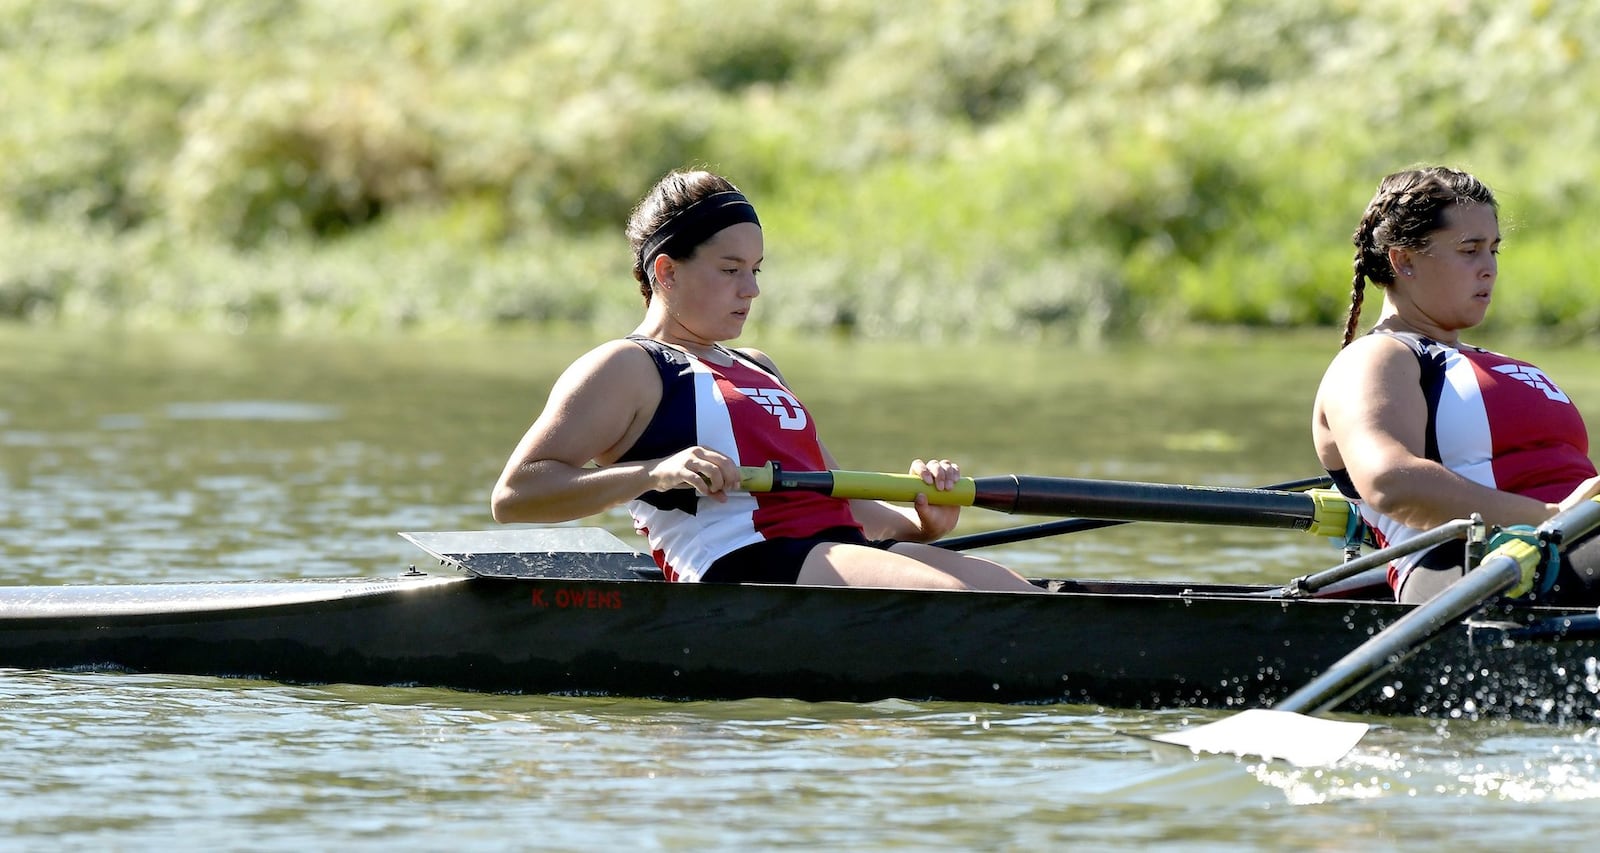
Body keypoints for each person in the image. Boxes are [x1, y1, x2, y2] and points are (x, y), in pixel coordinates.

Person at [490, 168, 1040, 592]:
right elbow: (516, 495)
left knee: (1015, 595)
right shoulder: (626, 367)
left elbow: (832, 495)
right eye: (730, 270)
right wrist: (656, 473)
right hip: (742, 567)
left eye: (755, 271)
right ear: (667, 271)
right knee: (958, 600)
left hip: (835, 553)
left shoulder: (758, 365)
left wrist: (920, 522)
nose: (750, 290)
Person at [1311, 165, 1600, 604]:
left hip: (1571, 551)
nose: (1488, 269)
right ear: (1404, 259)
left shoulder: (1499, 363)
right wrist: (1553, 516)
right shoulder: (1376, 358)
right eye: (1469, 250)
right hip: (1473, 569)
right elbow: (1390, 481)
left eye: (1494, 251)